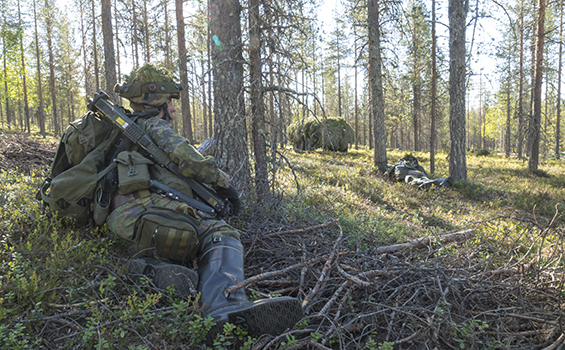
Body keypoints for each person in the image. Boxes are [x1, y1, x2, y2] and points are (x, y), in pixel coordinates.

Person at [107, 63, 303, 339]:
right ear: (156, 105)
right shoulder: (155, 127)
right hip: (141, 211)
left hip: (121, 218)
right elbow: (190, 160)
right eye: (170, 103)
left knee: (185, 241)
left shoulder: (123, 129)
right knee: (219, 231)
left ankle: (152, 268)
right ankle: (223, 306)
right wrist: (226, 185)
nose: (174, 109)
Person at [386, 154, 453, 189]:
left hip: (408, 175)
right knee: (425, 179)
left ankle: (425, 184)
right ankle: (441, 181)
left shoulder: (398, 166)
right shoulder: (417, 166)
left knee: (413, 180)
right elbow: (425, 174)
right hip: (420, 174)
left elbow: (387, 173)